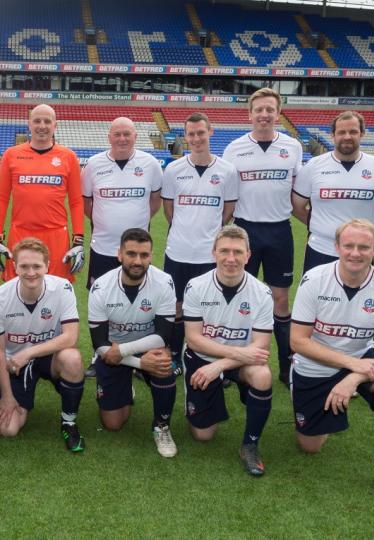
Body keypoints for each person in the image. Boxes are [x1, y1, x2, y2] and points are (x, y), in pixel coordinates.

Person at [290, 219, 374, 504]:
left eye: (364, 247)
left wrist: (355, 375)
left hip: (362, 360)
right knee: (310, 446)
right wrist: (352, 365)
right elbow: (298, 341)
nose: (355, 253)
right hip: (315, 364)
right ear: (337, 247)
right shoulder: (314, 279)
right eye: (348, 245)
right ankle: (323, 410)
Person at [223, 87, 302, 387]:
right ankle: (232, 363)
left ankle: (285, 365)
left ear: (278, 114)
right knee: (237, 295)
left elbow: (298, 192)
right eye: (259, 110)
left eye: (270, 109)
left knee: (280, 299)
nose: (264, 114)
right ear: (250, 114)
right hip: (245, 231)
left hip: (279, 230)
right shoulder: (234, 148)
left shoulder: (292, 147)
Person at [182, 226, 273, 476]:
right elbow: (194, 339)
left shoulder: (262, 292)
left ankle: (250, 444)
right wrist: (230, 357)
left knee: (262, 375)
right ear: (214, 253)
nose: (230, 258)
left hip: (235, 362)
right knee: (203, 435)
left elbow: (262, 344)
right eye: (224, 251)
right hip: (204, 357)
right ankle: (208, 396)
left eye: (237, 252)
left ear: (248, 255)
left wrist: (220, 365)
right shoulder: (196, 286)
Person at [0, 238, 85, 452]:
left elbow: (70, 337)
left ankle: (69, 422)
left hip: (49, 356)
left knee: (72, 358)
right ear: (15, 267)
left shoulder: (62, 288)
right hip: (15, 363)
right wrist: (7, 396)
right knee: (8, 429)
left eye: (37, 266)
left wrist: (29, 353)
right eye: (24, 266)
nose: (31, 272)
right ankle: (8, 392)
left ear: (47, 266)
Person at [88, 228, 178, 457]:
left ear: (151, 256)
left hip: (145, 348)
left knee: (164, 363)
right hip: (111, 352)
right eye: (131, 254)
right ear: (119, 254)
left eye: (144, 255)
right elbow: (99, 343)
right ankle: (126, 384)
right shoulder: (101, 287)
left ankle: (161, 426)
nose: (138, 261)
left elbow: (163, 335)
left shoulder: (164, 282)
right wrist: (137, 364)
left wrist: (126, 352)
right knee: (113, 423)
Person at [161, 112, 238, 374]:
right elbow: (169, 210)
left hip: (209, 255)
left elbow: (228, 211)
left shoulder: (227, 170)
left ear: (210, 132)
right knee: (177, 307)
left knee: (210, 309)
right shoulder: (174, 170)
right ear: (185, 137)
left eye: (200, 133)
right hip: (179, 251)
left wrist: (210, 234)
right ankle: (174, 355)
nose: (196, 138)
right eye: (191, 134)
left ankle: (210, 359)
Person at [0, 104, 85, 283]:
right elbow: (2, 198)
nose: (42, 126)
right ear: (29, 124)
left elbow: (76, 201)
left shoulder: (68, 157)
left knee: (56, 289)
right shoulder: (11, 155)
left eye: (47, 121)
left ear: (55, 125)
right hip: (20, 234)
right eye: (37, 121)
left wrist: (78, 239)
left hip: (56, 235)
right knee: (17, 288)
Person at [292, 111, 374, 273]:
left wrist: (359, 228)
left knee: (361, 290)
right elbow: (297, 207)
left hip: (361, 250)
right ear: (333, 135)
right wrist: (320, 225)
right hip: (320, 248)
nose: (347, 137)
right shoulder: (314, 165)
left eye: (353, 132)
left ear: (362, 134)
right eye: (341, 132)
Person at [81, 116, 163, 289]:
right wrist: (101, 220)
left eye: (127, 134)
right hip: (102, 247)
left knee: (138, 295)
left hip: (137, 249)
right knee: (100, 295)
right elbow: (85, 202)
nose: (122, 139)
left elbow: (156, 199)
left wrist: (140, 217)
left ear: (135, 136)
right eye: (117, 134)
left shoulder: (151, 164)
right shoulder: (93, 165)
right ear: (109, 137)